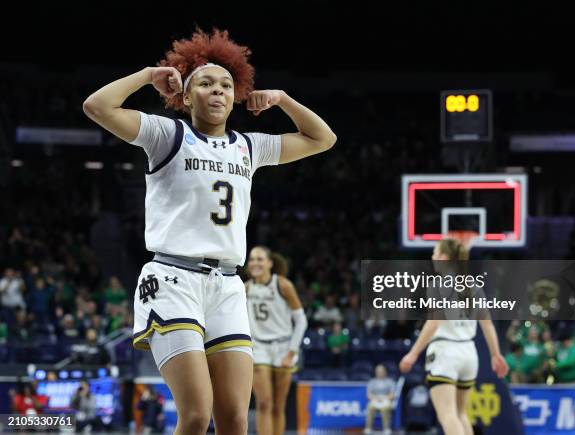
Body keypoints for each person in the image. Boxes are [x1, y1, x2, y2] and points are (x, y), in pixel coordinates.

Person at [83, 28, 336, 435]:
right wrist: (149, 75)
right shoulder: (168, 135)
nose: (217, 91)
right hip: (173, 278)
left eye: (225, 85)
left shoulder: (250, 146)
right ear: (184, 96)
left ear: (236, 96)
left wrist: (283, 100)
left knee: (235, 419)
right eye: (205, 83)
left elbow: (324, 138)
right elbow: (96, 106)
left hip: (227, 286)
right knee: (197, 415)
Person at [399, 238, 509, 435]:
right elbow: (488, 325)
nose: (432, 257)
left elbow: (433, 323)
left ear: (444, 257)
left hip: (445, 353)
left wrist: (413, 354)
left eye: (435, 252)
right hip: (469, 353)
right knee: (461, 414)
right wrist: (495, 354)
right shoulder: (473, 286)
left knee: (447, 416)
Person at [246, 247, 307, 435]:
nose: (255, 263)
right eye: (252, 259)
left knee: (279, 406)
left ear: (270, 263)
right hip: (258, 347)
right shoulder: (245, 288)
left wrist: (292, 351)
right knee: (264, 403)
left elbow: (301, 320)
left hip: (283, 346)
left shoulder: (283, 285)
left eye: (260, 259)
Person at [364, 364, 396, 435]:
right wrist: (376, 398)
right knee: (370, 407)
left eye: (381, 371)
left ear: (385, 372)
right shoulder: (372, 382)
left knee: (385, 408)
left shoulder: (390, 382)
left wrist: (384, 398)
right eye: (378, 371)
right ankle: (368, 428)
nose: (379, 373)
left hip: (386, 400)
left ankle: (386, 429)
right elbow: (369, 395)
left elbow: (392, 395)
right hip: (375, 400)